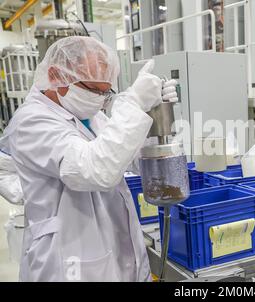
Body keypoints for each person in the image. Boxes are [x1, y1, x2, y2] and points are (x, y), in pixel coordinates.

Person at [0, 36, 178, 282]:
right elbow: (96, 170)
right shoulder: (32, 122)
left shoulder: (89, 115)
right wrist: (134, 104)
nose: (100, 100)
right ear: (55, 76)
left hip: (113, 248)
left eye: (106, 93)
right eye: (94, 90)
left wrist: (155, 116)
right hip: (69, 260)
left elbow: (130, 158)